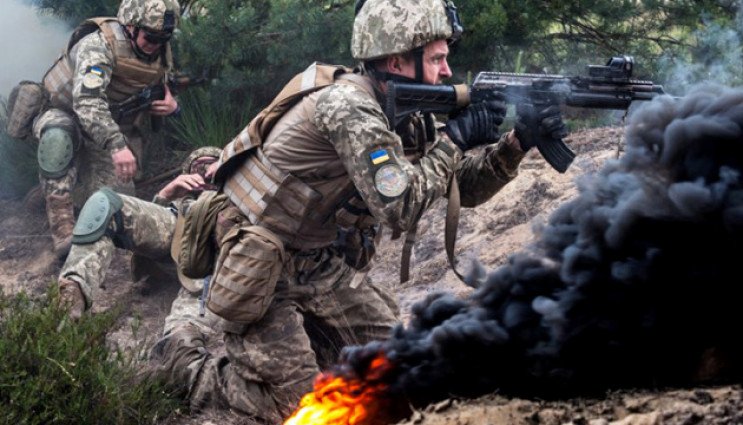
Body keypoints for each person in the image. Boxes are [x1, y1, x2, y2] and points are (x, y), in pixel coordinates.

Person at [150, 0, 568, 422]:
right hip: (259, 263)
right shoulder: (348, 107)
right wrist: (455, 141)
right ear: (398, 60)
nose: (446, 71)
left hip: (316, 262)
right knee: (306, 409)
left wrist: (517, 143)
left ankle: (315, 341)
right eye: (438, 58)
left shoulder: (405, 113)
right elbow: (400, 208)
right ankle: (186, 362)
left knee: (403, 370)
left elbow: (462, 186)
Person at [32, 0, 182, 259]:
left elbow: (162, 86)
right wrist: (117, 145)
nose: (156, 44)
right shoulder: (98, 45)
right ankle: (62, 230)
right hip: (64, 113)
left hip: (106, 126)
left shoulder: (159, 51)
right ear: (130, 26)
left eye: (164, 38)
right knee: (57, 139)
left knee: (118, 205)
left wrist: (172, 107)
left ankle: (63, 188)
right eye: (151, 37)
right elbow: (87, 102)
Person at [56, 146, 222, 327]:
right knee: (104, 203)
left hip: (214, 263)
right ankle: (71, 300)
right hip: (176, 235)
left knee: (183, 338)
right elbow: (152, 225)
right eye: (199, 168)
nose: (206, 173)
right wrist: (165, 195)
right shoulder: (178, 205)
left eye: (213, 167)